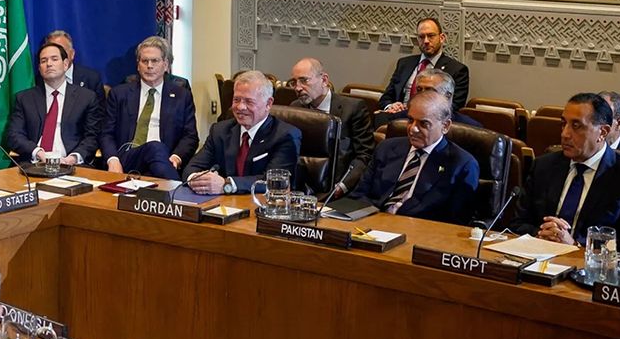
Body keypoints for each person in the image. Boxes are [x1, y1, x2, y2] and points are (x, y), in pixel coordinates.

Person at [513, 93, 620, 252]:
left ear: (603, 132)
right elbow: (517, 223)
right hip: (539, 255)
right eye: (563, 124)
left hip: (592, 264)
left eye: (576, 126)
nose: (565, 134)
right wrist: (542, 234)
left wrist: (576, 246)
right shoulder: (544, 165)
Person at [347, 91, 480, 224]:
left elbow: (456, 223)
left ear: (445, 126)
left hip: (420, 230)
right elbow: (358, 196)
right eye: (410, 120)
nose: (413, 129)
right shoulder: (386, 148)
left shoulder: (461, 164)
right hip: (370, 224)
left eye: (423, 123)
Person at [185, 70, 301, 195]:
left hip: (261, 203)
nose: (240, 107)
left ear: (268, 103)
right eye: (236, 100)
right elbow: (191, 168)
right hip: (221, 203)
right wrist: (196, 180)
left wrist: (227, 184)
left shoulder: (285, 135)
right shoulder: (219, 130)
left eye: (249, 101)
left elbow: (275, 182)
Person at [100, 36, 198, 179]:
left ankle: (171, 186)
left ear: (166, 65)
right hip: (127, 159)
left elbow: (190, 136)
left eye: (155, 61)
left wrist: (176, 157)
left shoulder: (182, 96)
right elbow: (106, 133)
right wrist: (113, 160)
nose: (149, 66)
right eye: (144, 61)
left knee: (157, 150)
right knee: (155, 147)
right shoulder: (119, 93)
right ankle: (178, 190)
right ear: (138, 65)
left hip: (165, 160)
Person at [289, 57, 373, 197]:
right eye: (294, 82)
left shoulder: (352, 109)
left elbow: (365, 155)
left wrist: (342, 186)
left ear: (324, 80)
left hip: (338, 188)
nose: (297, 88)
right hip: (300, 187)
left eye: (304, 80)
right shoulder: (295, 108)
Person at [6, 42, 102, 166]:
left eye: (54, 59)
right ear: (39, 68)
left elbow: (92, 137)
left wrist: (73, 158)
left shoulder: (86, 98)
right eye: (43, 61)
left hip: (72, 165)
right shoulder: (25, 98)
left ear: (66, 64)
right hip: (34, 164)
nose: (49, 64)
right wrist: (38, 152)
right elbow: (14, 135)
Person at [378, 17, 470, 114]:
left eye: (431, 36)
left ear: (442, 38)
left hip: (430, 120)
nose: (426, 41)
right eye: (421, 37)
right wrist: (391, 106)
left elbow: (454, 107)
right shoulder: (404, 64)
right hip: (397, 117)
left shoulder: (457, 70)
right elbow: (386, 98)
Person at [376, 69, 482, 129]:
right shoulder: (403, 117)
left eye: (429, 90)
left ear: (447, 96)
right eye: (419, 89)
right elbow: (381, 119)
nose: (422, 95)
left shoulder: (471, 129)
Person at [42, 30, 105, 102]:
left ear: (72, 54)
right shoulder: (38, 81)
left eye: (62, 50)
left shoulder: (91, 79)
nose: (58, 55)